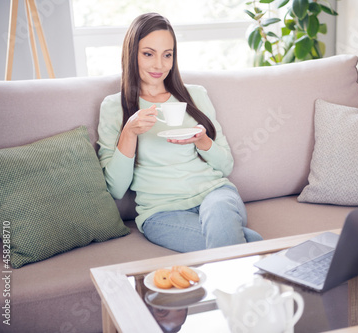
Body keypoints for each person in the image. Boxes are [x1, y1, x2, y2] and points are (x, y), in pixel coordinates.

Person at [97, 13, 262, 252]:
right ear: (131, 53)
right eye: (148, 54)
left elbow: (226, 166)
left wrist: (203, 141)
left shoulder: (195, 95)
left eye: (167, 55)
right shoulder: (114, 107)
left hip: (214, 195)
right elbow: (116, 189)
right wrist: (129, 133)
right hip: (161, 213)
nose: (159, 65)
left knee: (224, 225)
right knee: (250, 243)